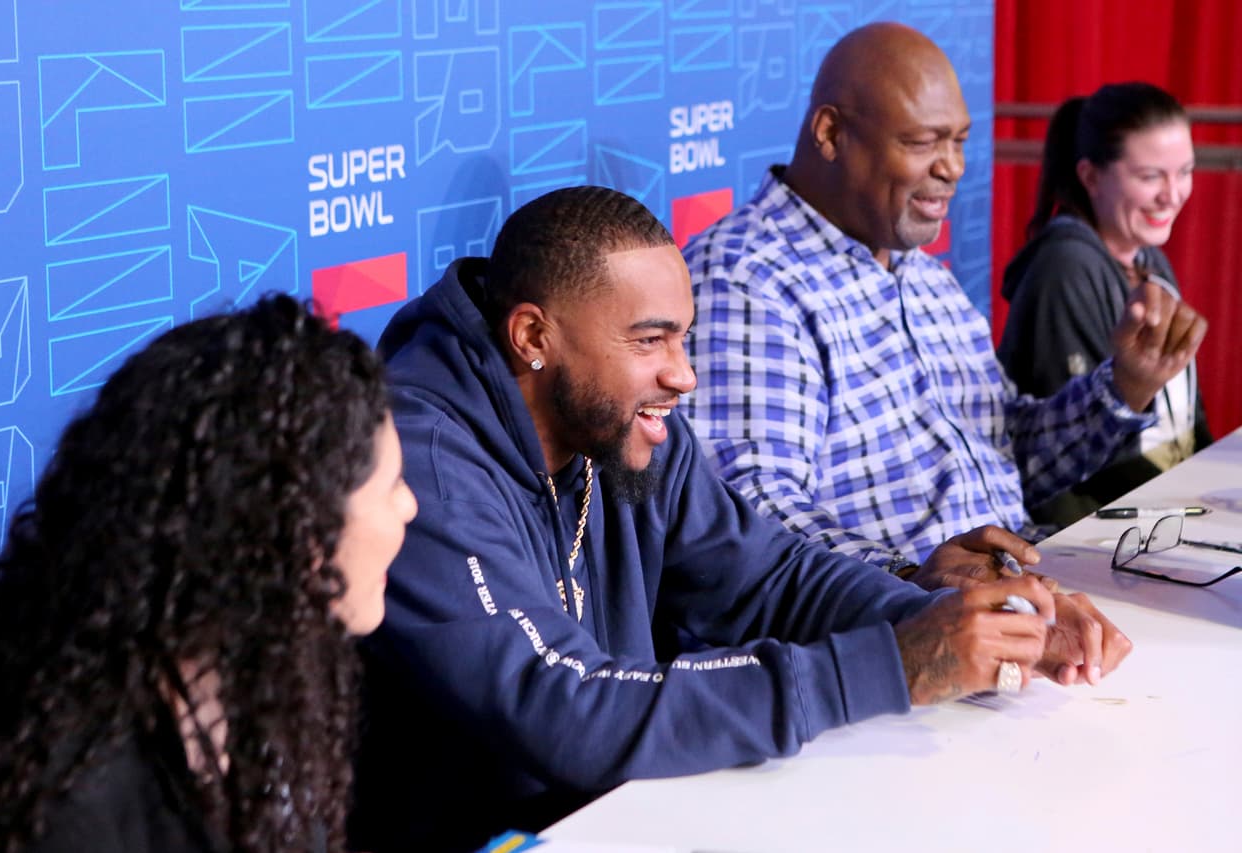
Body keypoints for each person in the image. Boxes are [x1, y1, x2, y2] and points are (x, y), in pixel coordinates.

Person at [350, 186, 1125, 853]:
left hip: (627, 814)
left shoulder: (620, 423)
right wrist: (889, 664)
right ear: (533, 337)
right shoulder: (423, 458)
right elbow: (565, 707)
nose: (682, 375)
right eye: (649, 339)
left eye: (682, 336)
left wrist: (960, 623)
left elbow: (770, 576)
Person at [682, 22, 1206, 584]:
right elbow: (751, 514)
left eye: (957, 141)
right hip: (897, 631)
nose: (953, 167)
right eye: (922, 142)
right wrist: (910, 577)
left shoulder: (926, 277)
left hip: (1025, 585)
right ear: (831, 134)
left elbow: (1010, 454)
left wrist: (1124, 387)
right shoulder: (746, 279)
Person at [0, 295, 418, 853]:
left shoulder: (269, 676)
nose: (410, 507)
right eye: (392, 486)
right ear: (297, 532)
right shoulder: (72, 793)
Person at [998, 82, 1211, 527]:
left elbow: (1189, 418)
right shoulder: (1065, 267)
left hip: (1167, 514)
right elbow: (1079, 455)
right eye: (1151, 176)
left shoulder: (1150, 258)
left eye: (1185, 171)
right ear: (1091, 177)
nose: (1173, 195)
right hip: (1098, 534)